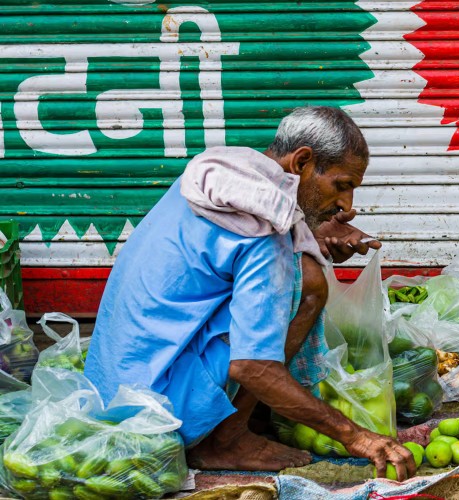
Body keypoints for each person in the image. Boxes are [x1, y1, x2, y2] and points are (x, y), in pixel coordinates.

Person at [85, 106, 416, 479]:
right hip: (155, 414)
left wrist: (311, 236)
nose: (347, 206)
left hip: (112, 380)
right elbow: (253, 366)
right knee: (309, 291)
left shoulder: (225, 177)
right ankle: (225, 440)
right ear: (303, 162)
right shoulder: (262, 230)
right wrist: (356, 436)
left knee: (306, 273)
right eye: (341, 185)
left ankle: (240, 421)